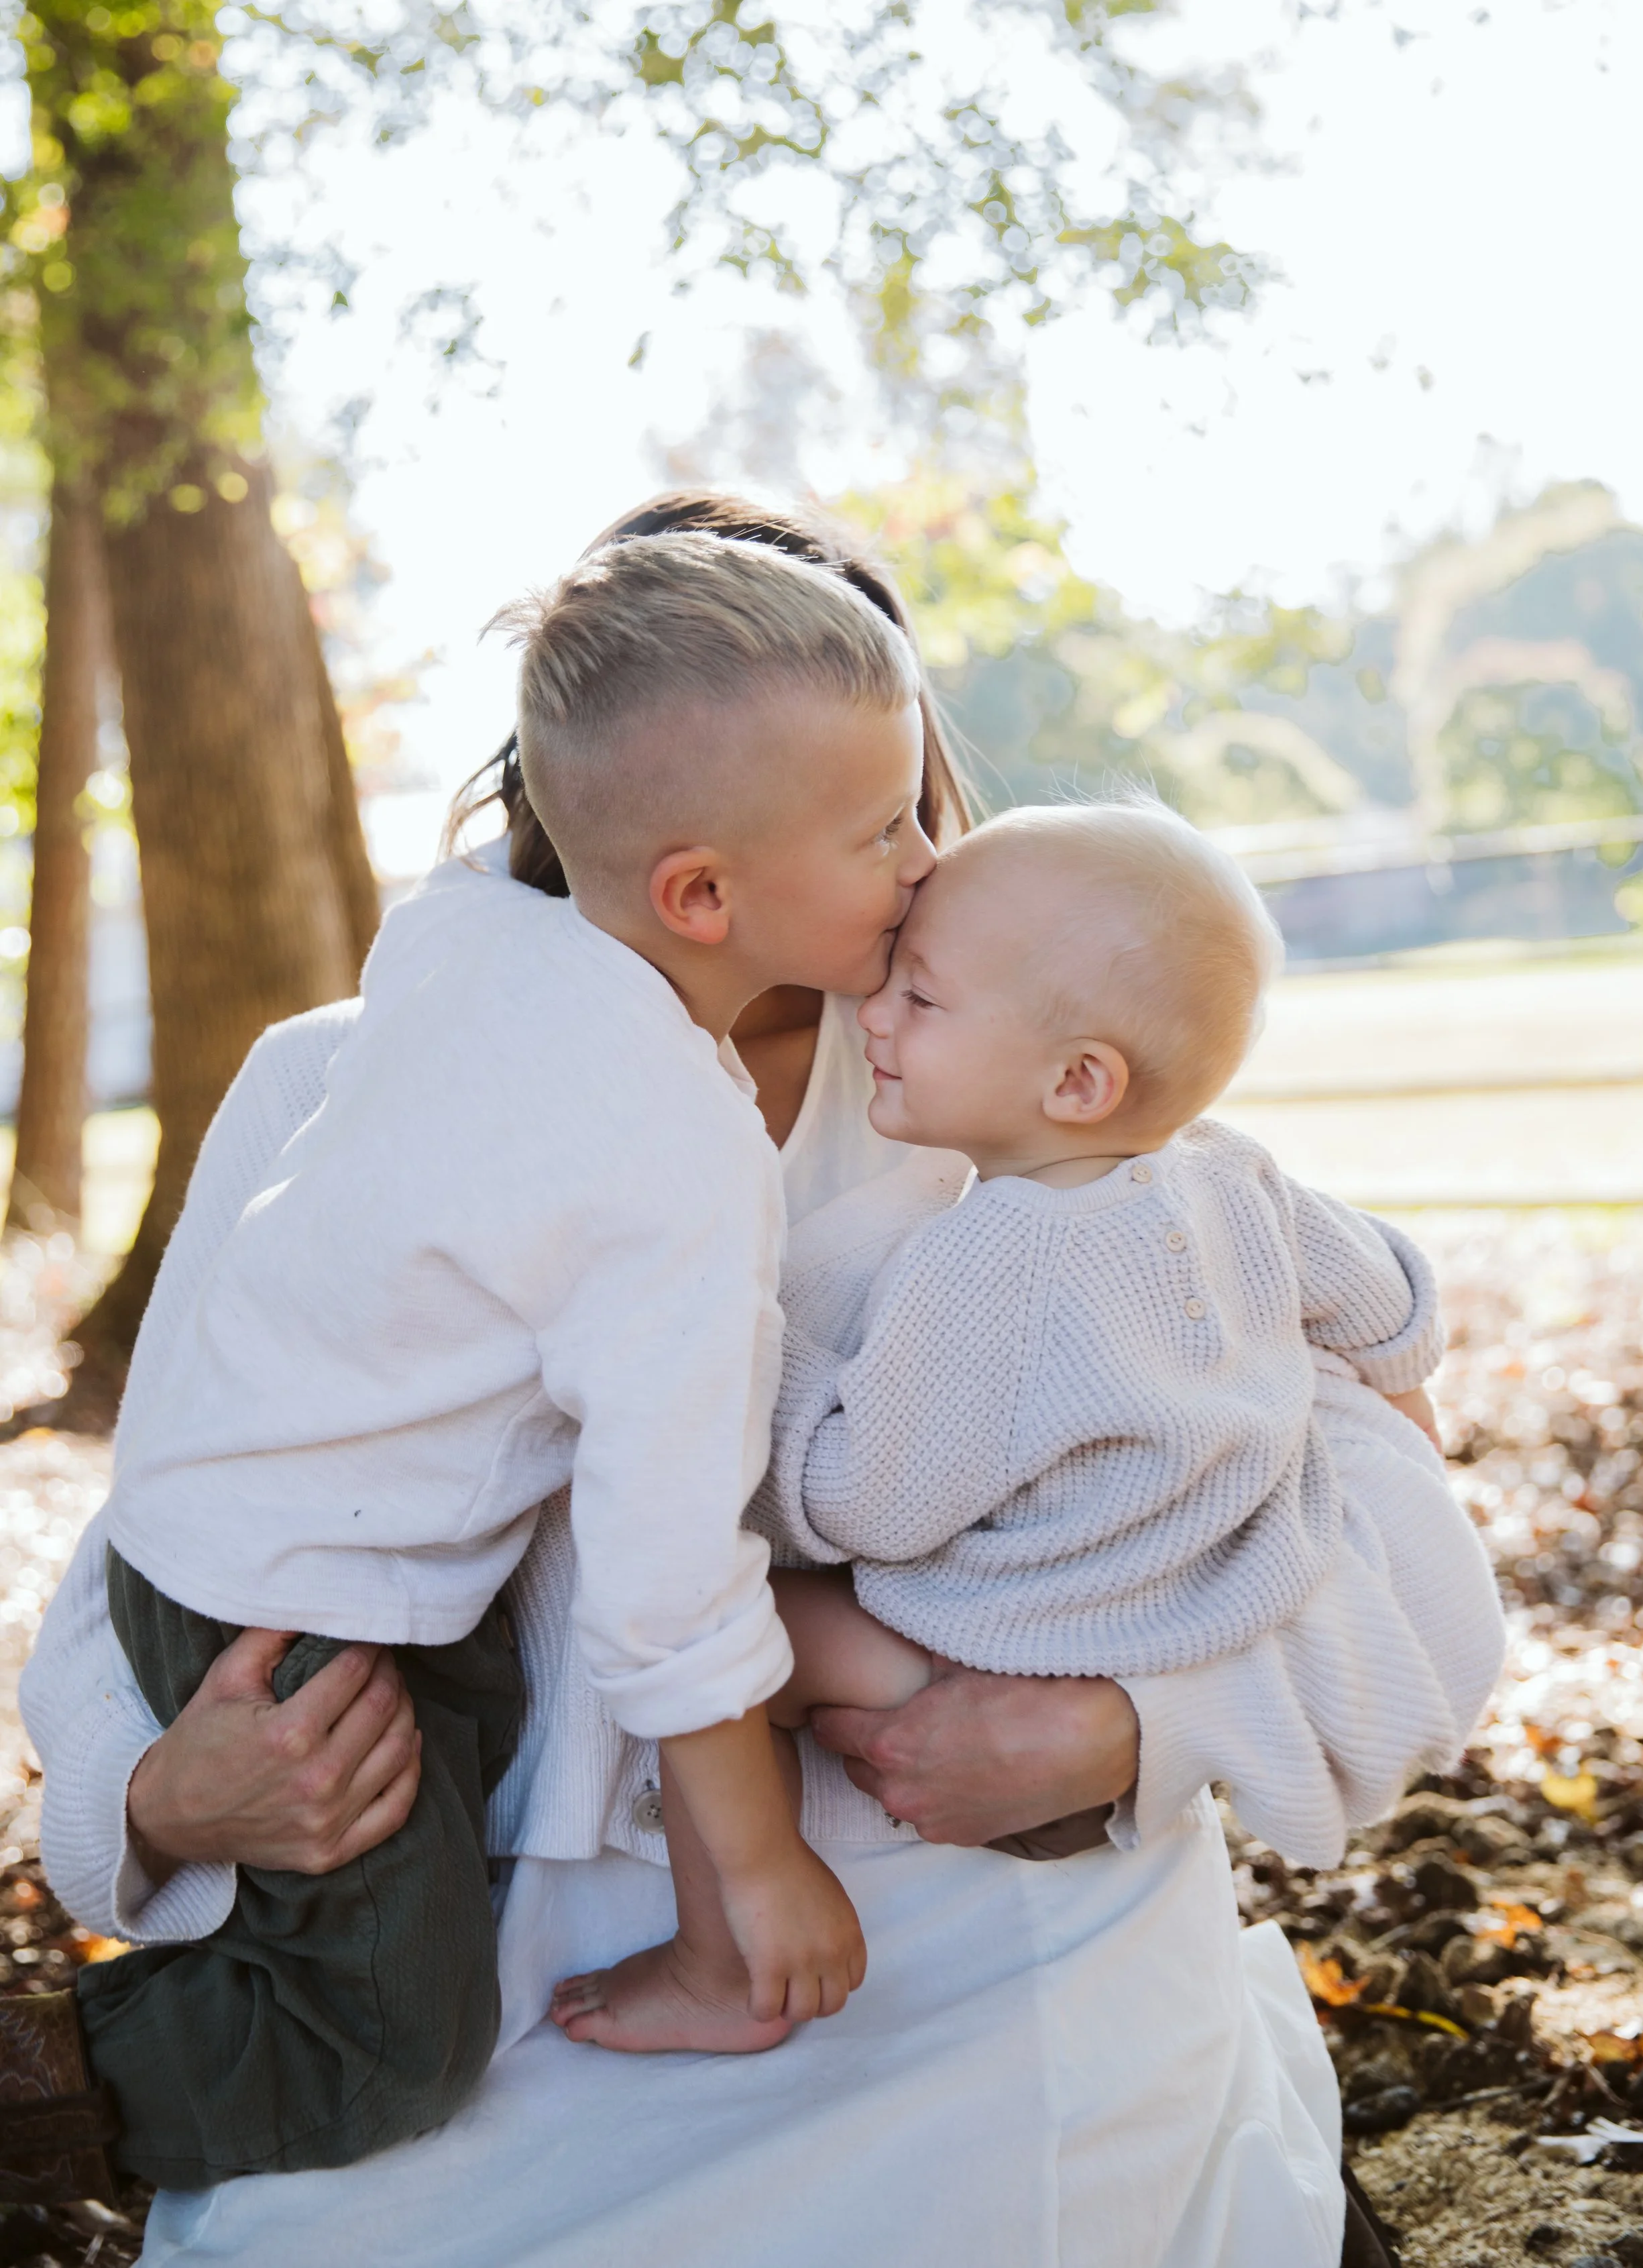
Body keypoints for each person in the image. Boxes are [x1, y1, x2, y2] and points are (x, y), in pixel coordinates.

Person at [15, 491, 1489, 2265]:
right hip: (522, 1958)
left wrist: (1115, 1732)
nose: (915, 861)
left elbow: (1402, 1543)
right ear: (672, 838)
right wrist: (156, 1801)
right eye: (860, 820)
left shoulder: (1037, 1092)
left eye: (906, 798)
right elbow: (164, 1533)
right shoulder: (356, 1080)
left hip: (975, 1933)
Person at [5, 529, 936, 2194]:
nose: (926, 856)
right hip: (284, 1618)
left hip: (270, 1550)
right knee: (377, 2042)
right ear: (702, 894)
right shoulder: (672, 1154)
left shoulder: (466, 947)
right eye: (882, 829)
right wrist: (762, 1874)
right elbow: (664, 1581)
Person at [550, 796, 1502, 2051]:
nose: (878, 1014)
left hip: (999, 1674)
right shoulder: (1229, 1171)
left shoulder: (991, 1262)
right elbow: (1382, 1294)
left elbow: (858, 1500)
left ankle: (728, 1955)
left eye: (922, 1001)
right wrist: (1405, 1394)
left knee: (722, 1628)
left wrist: (752, 1370)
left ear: (1075, 1079)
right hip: (1189, 1622)